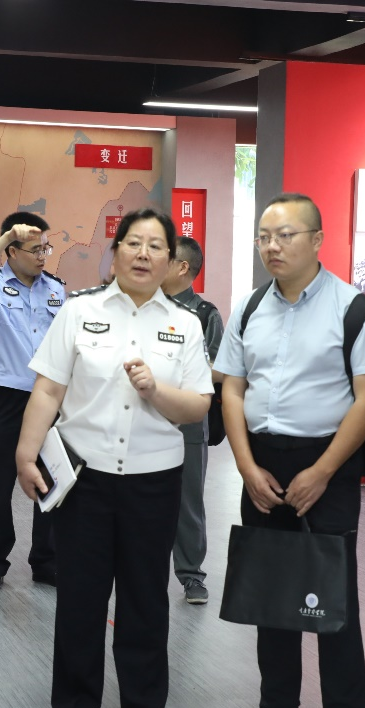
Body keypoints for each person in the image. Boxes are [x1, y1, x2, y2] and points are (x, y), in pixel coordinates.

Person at [15, 209, 213, 708]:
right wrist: (26, 455)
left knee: (145, 599)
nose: (143, 254)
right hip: (86, 480)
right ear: (116, 250)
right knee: (80, 597)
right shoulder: (79, 311)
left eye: (155, 246)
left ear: (171, 261)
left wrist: (155, 391)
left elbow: (197, 406)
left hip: (154, 482)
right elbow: (48, 389)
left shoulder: (185, 325)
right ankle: (74, 705)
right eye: (133, 243)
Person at [216, 193, 365, 708]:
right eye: (265, 236)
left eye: (285, 235)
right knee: (271, 593)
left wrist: (323, 471)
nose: (272, 247)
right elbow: (232, 388)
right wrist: (246, 467)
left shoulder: (353, 309)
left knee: (333, 597)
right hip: (262, 463)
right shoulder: (248, 308)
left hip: (327, 464)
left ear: (317, 240)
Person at [0, 212, 64, 593]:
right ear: (11, 251)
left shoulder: (56, 290)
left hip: (49, 397)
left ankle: (47, 560)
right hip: (5, 397)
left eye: (46, 249)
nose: (42, 256)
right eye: (35, 249)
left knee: (51, 479)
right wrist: (7, 234)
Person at [162, 236, 224, 604]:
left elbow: (220, 370)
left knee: (188, 502)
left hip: (188, 421)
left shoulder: (204, 314)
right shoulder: (144, 305)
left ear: (182, 267)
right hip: (145, 418)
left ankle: (191, 575)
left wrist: (178, 365)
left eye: (165, 256)